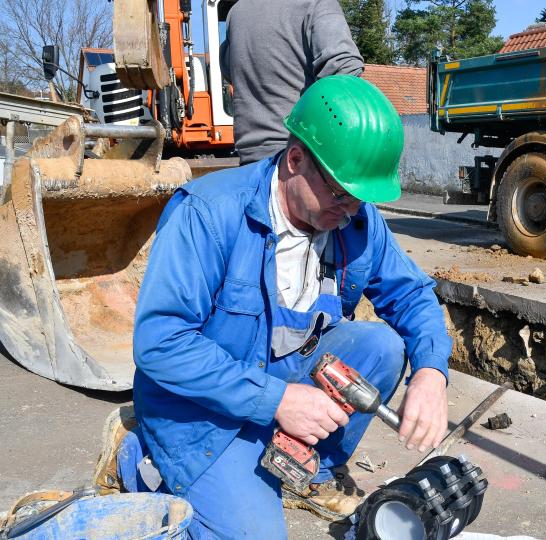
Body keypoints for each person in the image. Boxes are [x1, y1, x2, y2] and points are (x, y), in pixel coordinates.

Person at [94, 76, 452, 538]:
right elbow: (161, 344)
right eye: (340, 194)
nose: (349, 211)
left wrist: (431, 373)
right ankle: (137, 457)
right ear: (295, 160)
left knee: (383, 347)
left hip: (283, 384)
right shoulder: (208, 214)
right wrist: (278, 399)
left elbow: (413, 295)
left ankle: (309, 470)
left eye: (360, 198)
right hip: (203, 412)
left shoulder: (353, 219)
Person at [220, 0, 364, 165]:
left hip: (250, 163)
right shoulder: (316, 3)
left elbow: (230, 71)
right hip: (303, 162)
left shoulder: (237, 11)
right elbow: (345, 72)